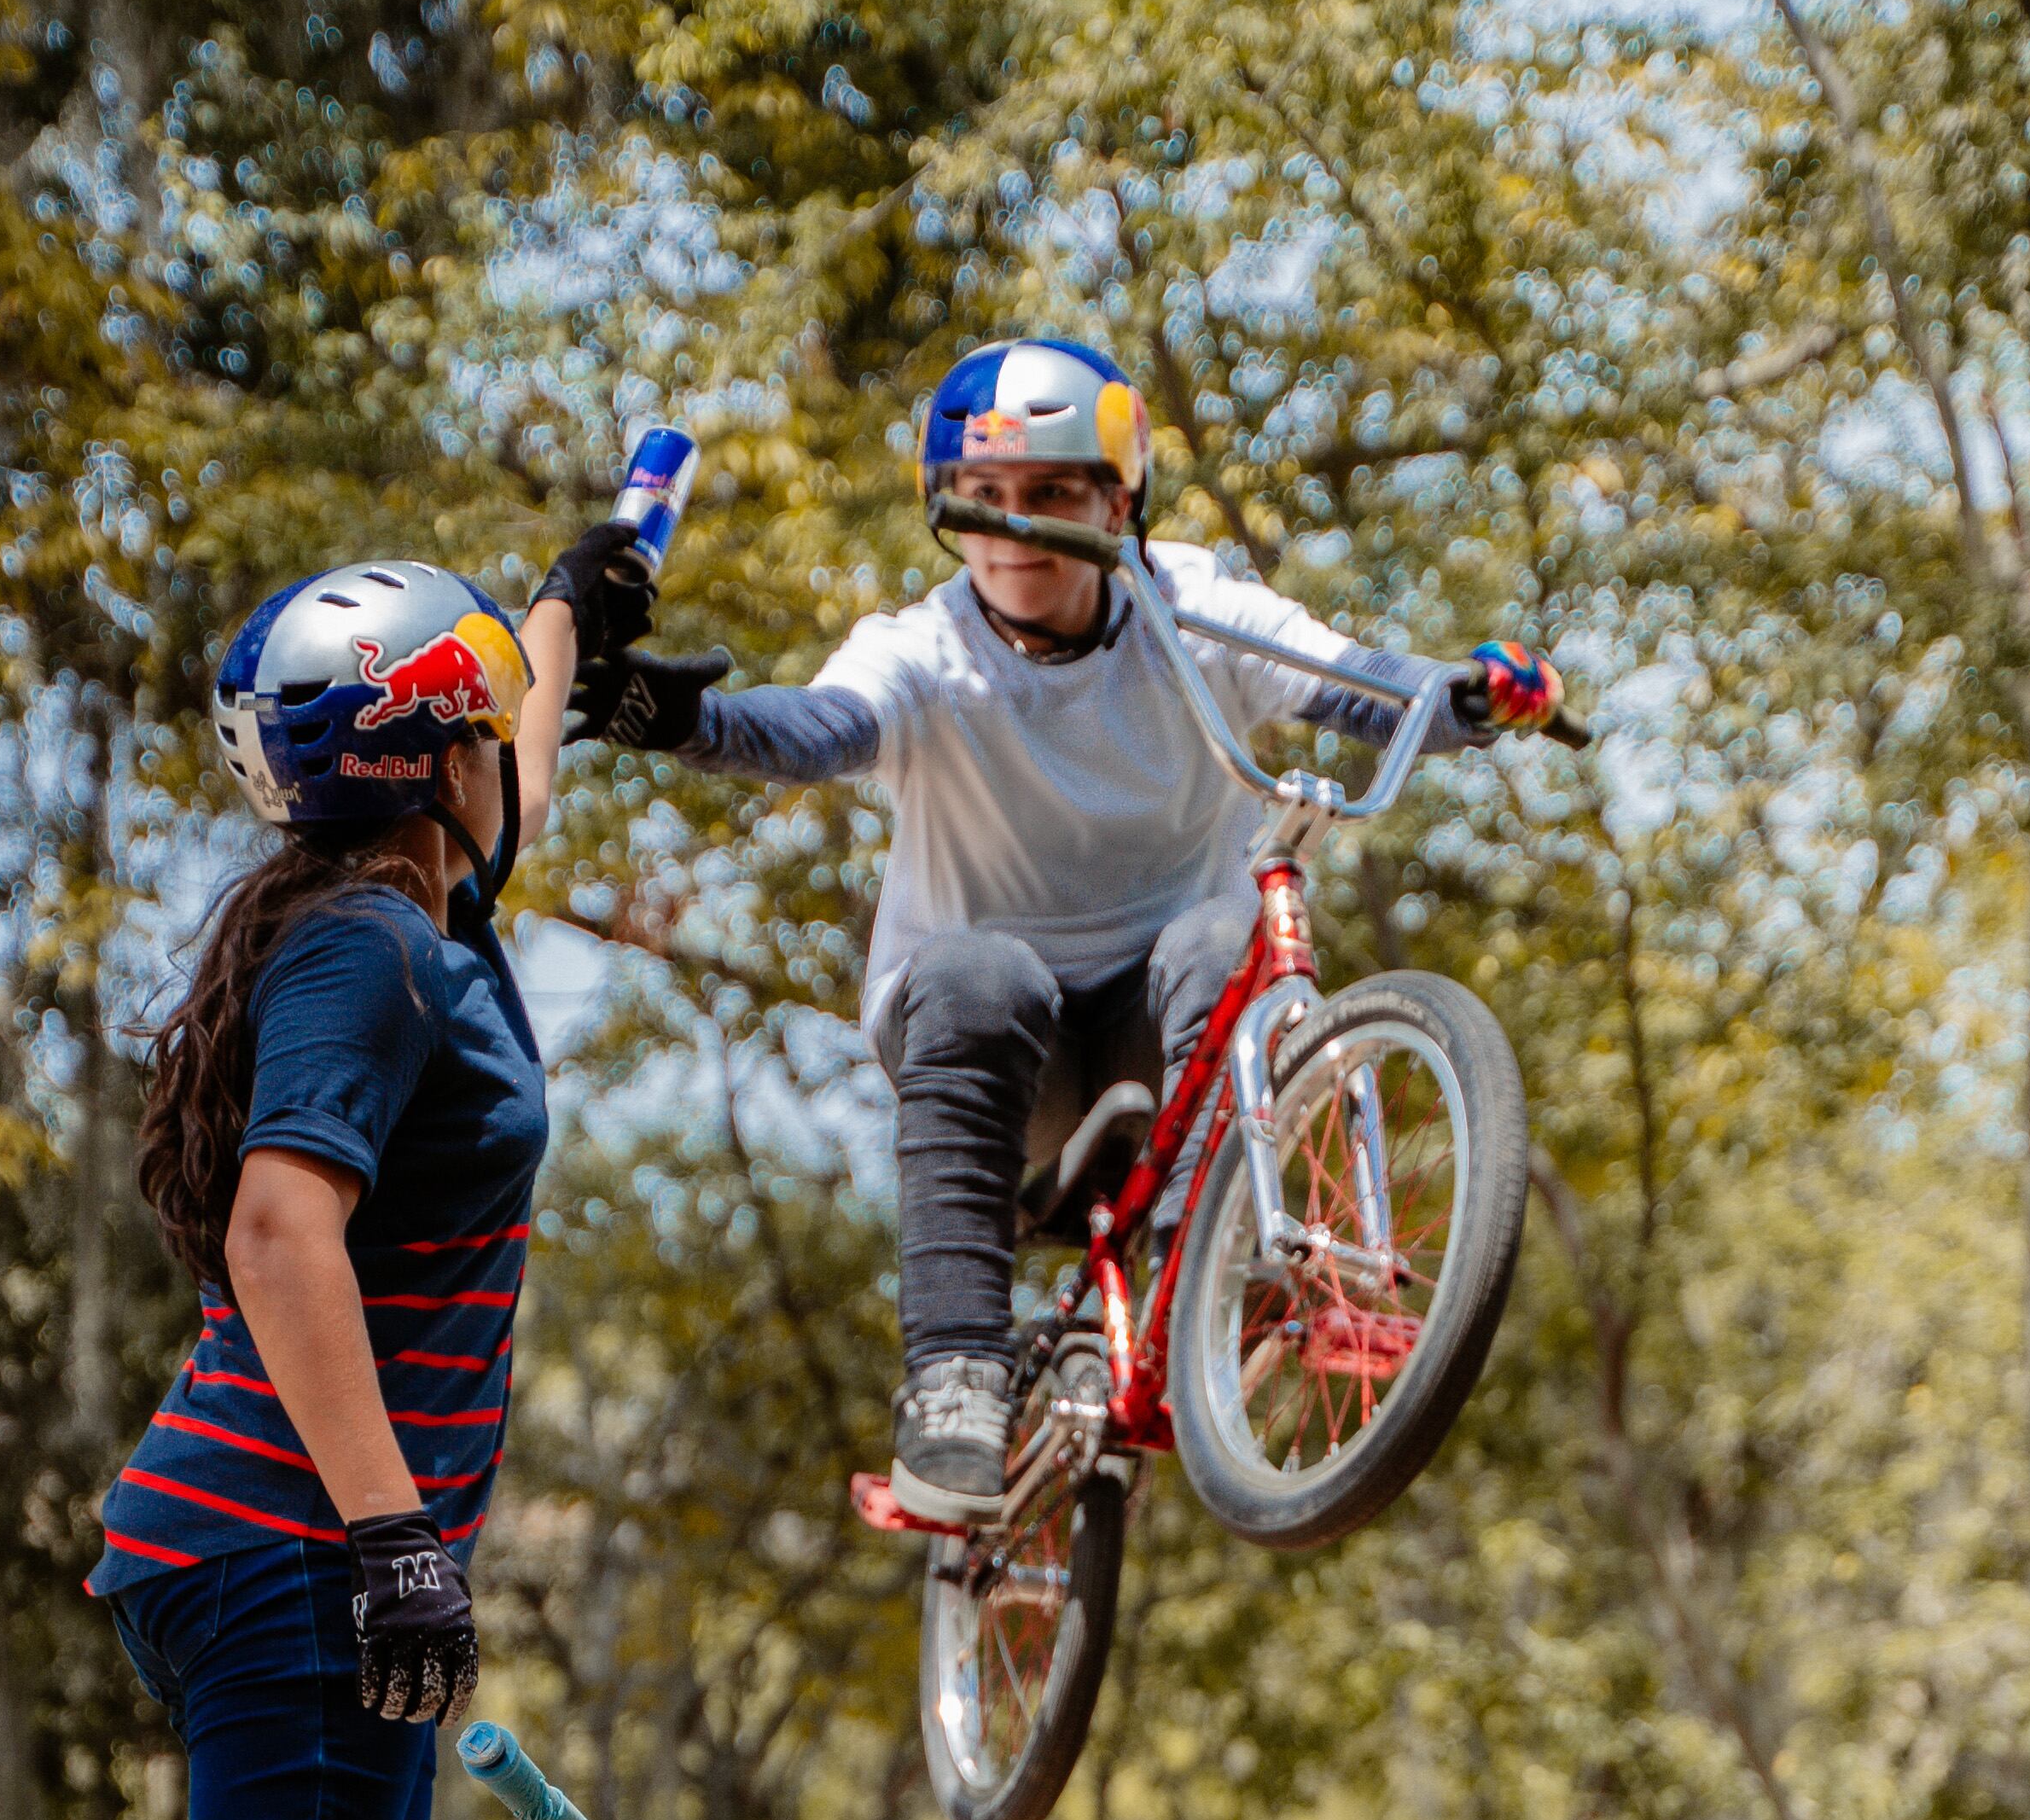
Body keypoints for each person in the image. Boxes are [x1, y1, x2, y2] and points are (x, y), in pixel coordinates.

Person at [548, 338, 1562, 1516]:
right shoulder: (925, 650)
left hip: (1170, 1033)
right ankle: (955, 1379)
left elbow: (1362, 684)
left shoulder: (1195, 610)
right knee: (983, 971)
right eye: (988, 503)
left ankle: (1208, 1281)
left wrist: (1473, 696)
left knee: (1224, 935)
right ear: (951, 513)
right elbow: (817, 729)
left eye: (1053, 497)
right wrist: (684, 721)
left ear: (1118, 502)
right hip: (997, 1054)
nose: (1018, 532)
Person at [72, 549, 590, 1820]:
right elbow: (288, 1235)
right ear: (427, 755)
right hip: (282, 1537)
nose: (511, 756)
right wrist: (393, 1537)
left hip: (317, 1544)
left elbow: (516, 735)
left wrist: (576, 606)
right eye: (486, 720)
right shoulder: (369, 959)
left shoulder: (414, 902)